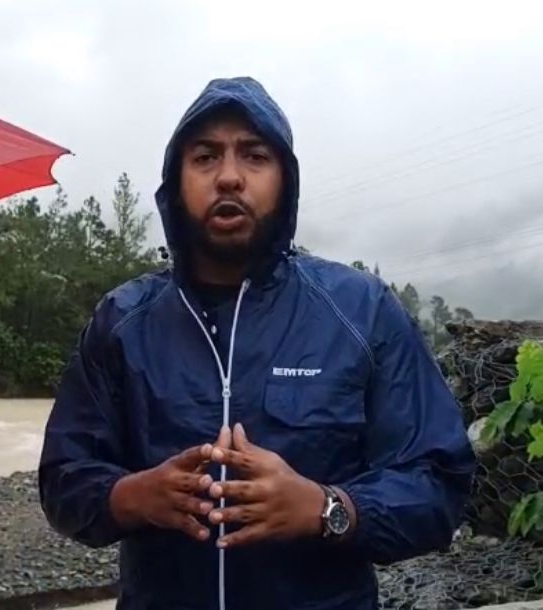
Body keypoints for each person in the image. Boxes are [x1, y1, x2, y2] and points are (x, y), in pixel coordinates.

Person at [38, 76, 477, 610]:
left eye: (254, 156)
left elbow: (439, 482)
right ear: (175, 182)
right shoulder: (123, 322)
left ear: (285, 179)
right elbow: (63, 479)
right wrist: (135, 496)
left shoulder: (362, 312)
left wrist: (326, 508)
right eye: (205, 157)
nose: (229, 176)